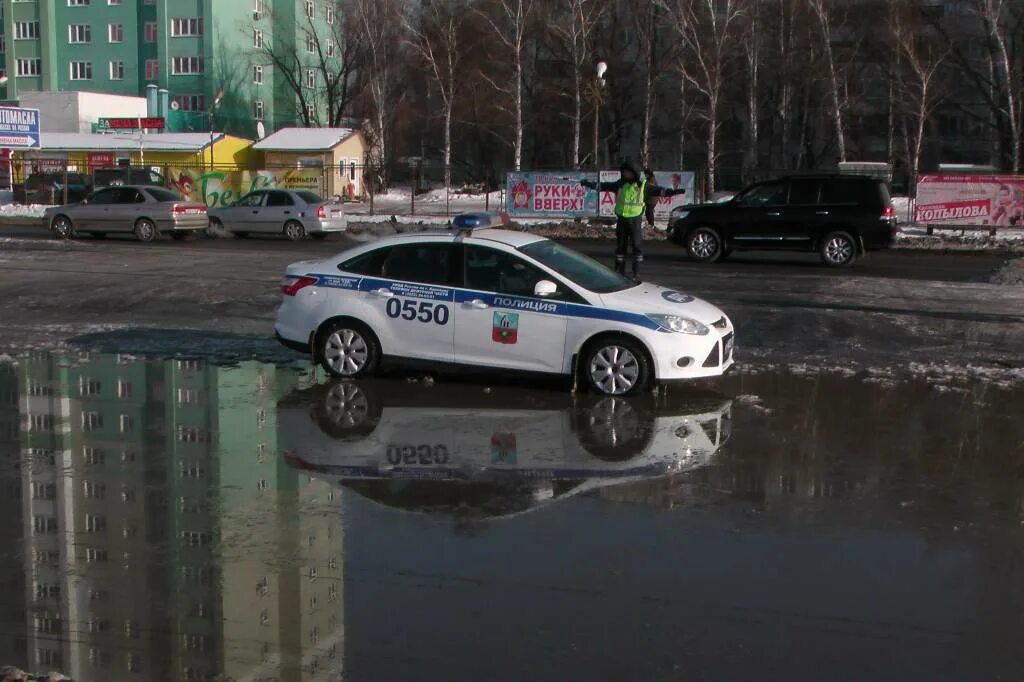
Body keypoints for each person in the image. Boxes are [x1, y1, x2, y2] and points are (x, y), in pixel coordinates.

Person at [581, 160, 648, 279]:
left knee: (636, 246)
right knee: (621, 246)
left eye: (628, 172)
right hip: (622, 219)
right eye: (624, 172)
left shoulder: (641, 185)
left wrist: (672, 192)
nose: (626, 174)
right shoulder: (620, 184)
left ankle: (636, 273)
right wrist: (589, 184)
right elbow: (604, 186)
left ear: (634, 173)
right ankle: (619, 271)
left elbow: (658, 190)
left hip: (635, 220)